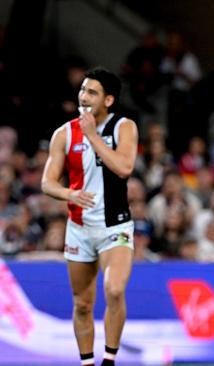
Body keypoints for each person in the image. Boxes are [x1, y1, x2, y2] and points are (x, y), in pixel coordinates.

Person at [41, 67, 138, 366]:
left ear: (108, 100)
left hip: (115, 225)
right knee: (82, 304)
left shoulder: (124, 127)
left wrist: (93, 137)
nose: (84, 96)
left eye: (92, 92)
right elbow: (47, 182)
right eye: (83, 90)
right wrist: (68, 194)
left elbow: (124, 168)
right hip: (79, 228)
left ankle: (109, 359)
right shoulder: (63, 134)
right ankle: (86, 363)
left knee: (115, 288)